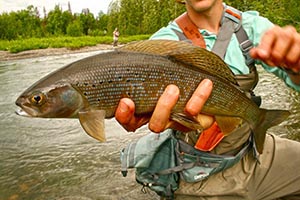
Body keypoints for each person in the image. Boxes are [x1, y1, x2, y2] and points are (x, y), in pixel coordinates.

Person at [115, 0, 300, 199]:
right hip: (197, 171)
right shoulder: (159, 45)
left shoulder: (252, 27)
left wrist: (296, 67)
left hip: (252, 152)